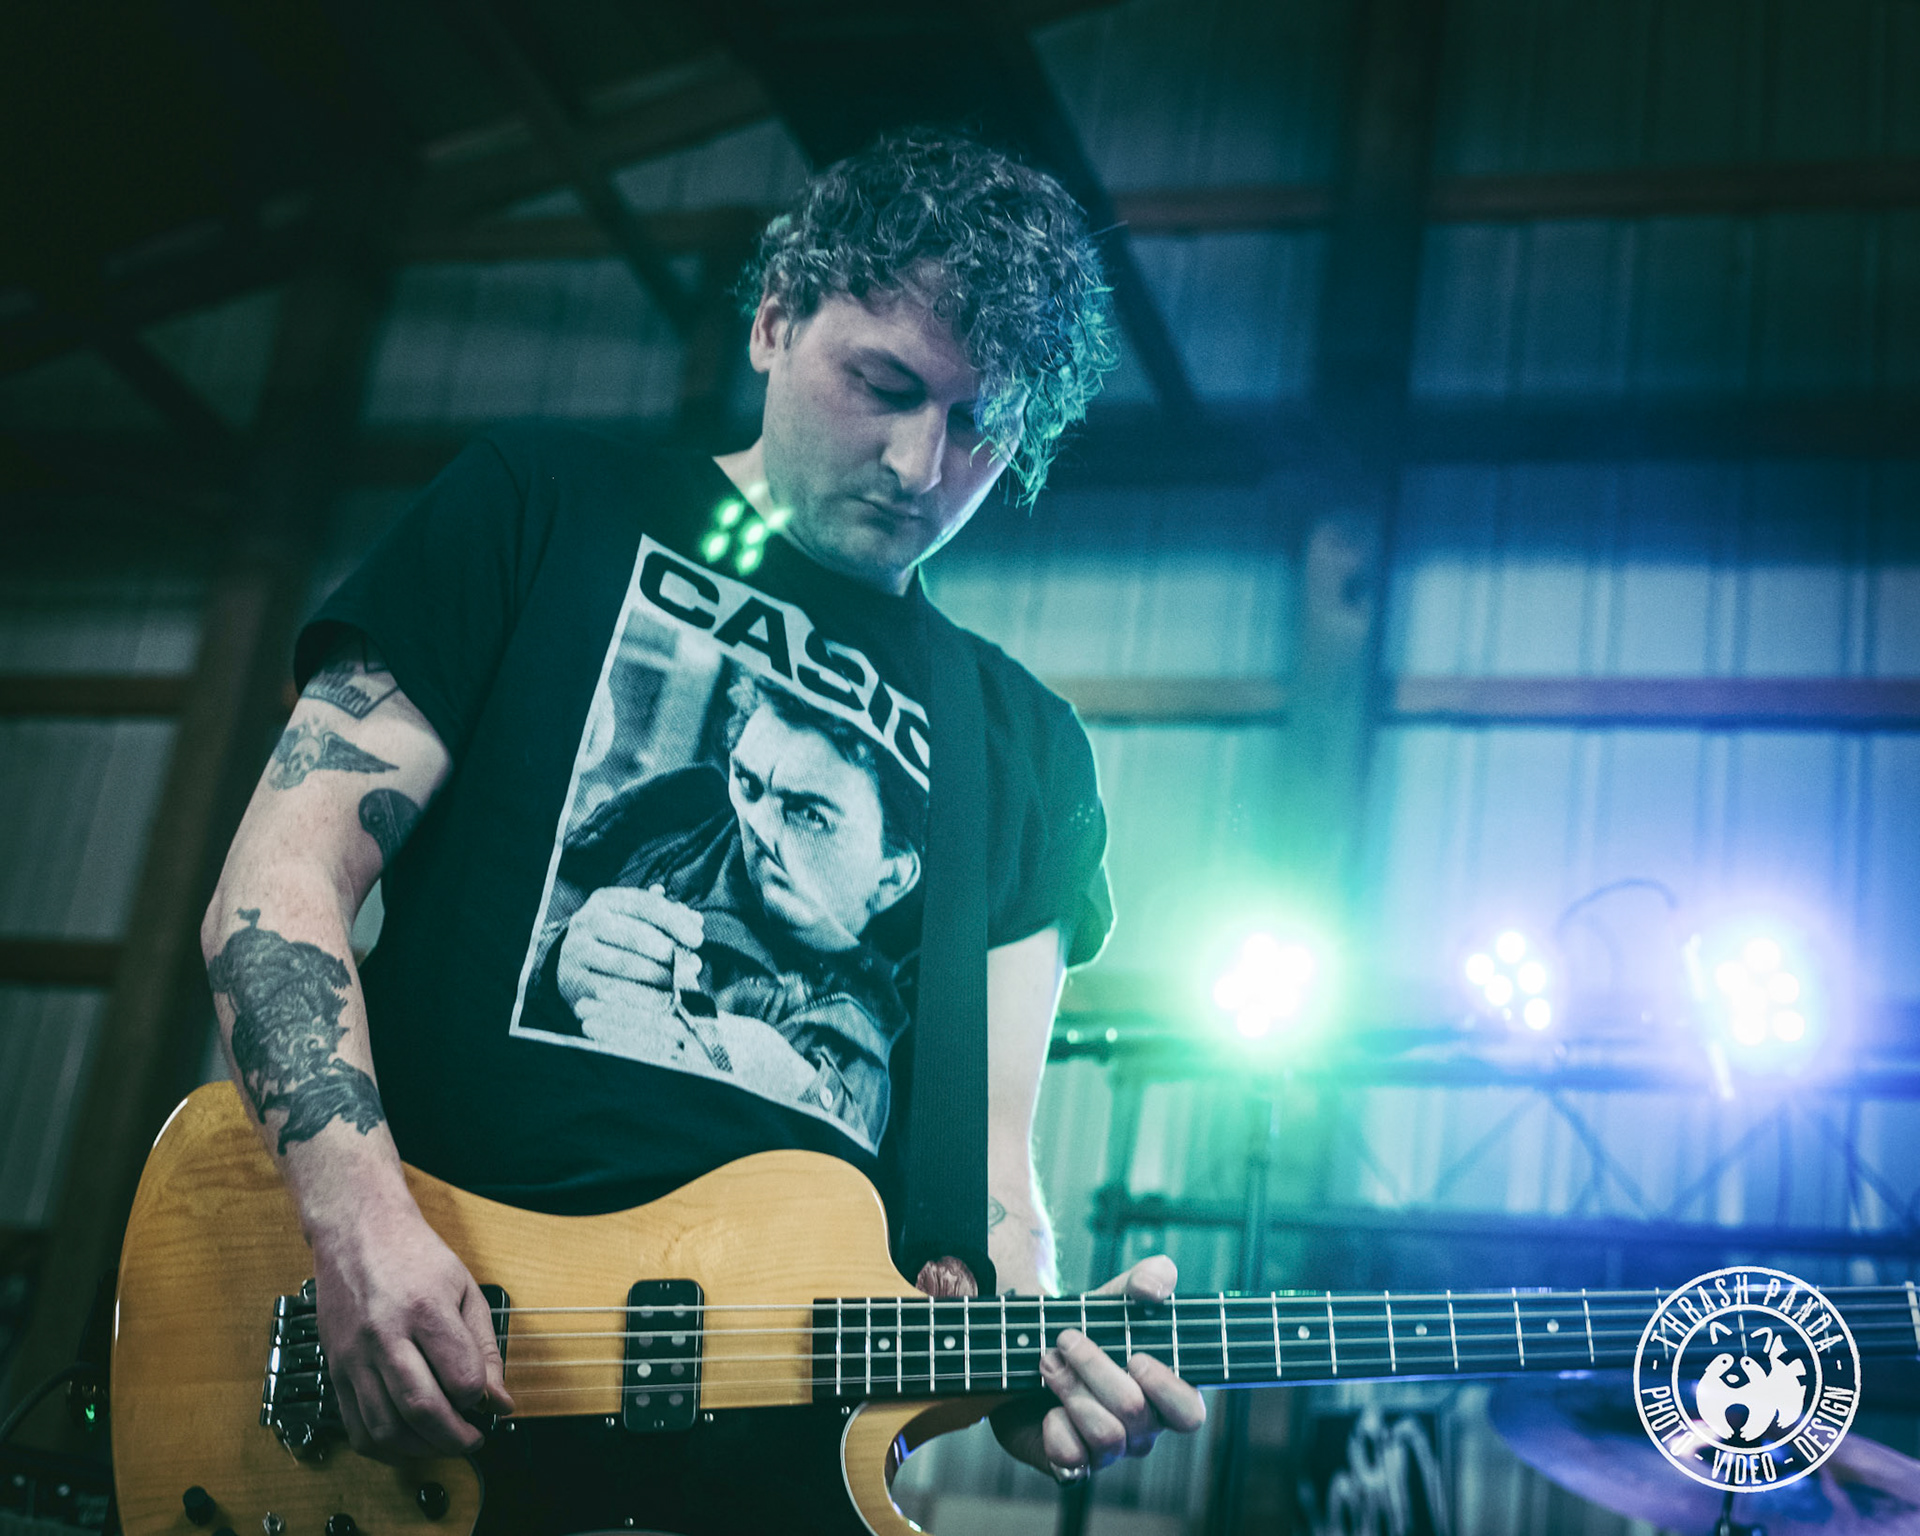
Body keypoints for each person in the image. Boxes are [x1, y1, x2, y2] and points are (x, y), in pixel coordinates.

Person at [199, 128, 1205, 1519]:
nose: (919, 463)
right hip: (417, 1408)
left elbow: (993, 1167)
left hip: (770, 1477)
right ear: (776, 318)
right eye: (886, 385)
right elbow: (278, 883)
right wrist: (358, 1225)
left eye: (980, 426)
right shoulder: (539, 505)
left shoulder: (1023, 744)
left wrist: (1036, 1362)